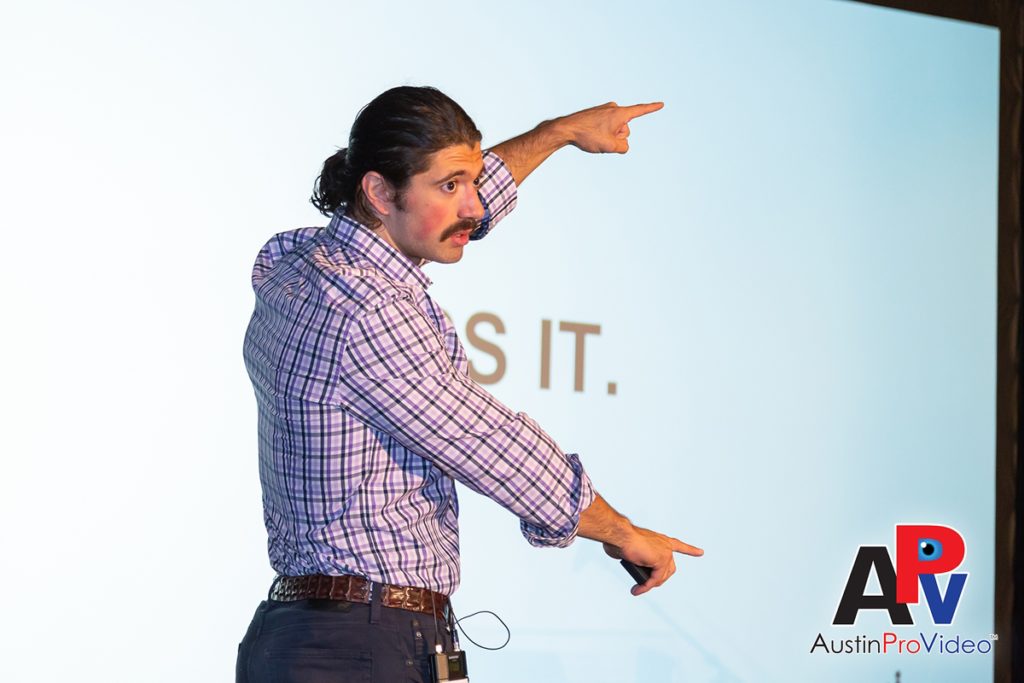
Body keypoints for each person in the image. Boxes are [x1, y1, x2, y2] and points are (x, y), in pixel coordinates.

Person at [236, 86, 702, 683]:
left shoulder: (301, 262)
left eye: (473, 182)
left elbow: (445, 215)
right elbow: (492, 446)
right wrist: (621, 532)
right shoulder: (369, 312)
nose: (475, 206)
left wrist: (556, 133)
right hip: (363, 645)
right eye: (452, 186)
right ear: (378, 192)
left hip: (314, 636)